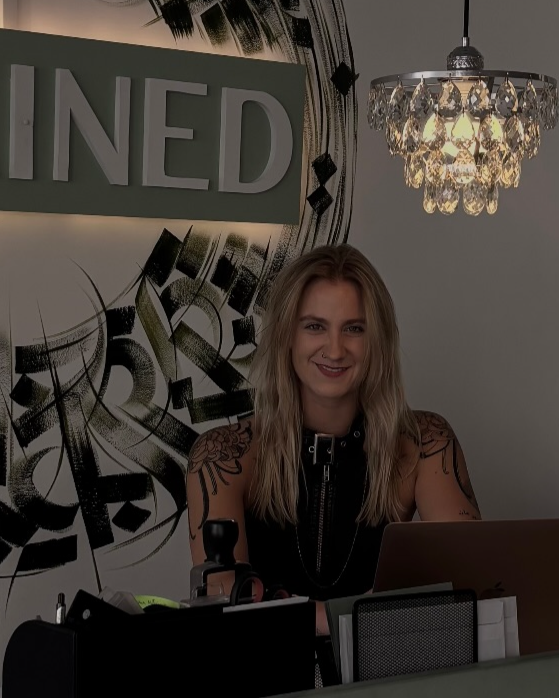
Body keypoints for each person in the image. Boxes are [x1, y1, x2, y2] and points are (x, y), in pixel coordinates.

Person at [185, 244, 481, 634]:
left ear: (378, 341)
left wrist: (319, 616)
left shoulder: (426, 441)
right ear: (287, 336)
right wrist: (360, 613)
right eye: (315, 326)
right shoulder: (222, 456)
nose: (336, 349)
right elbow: (225, 601)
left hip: (384, 663)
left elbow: (465, 583)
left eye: (354, 328)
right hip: (266, 664)